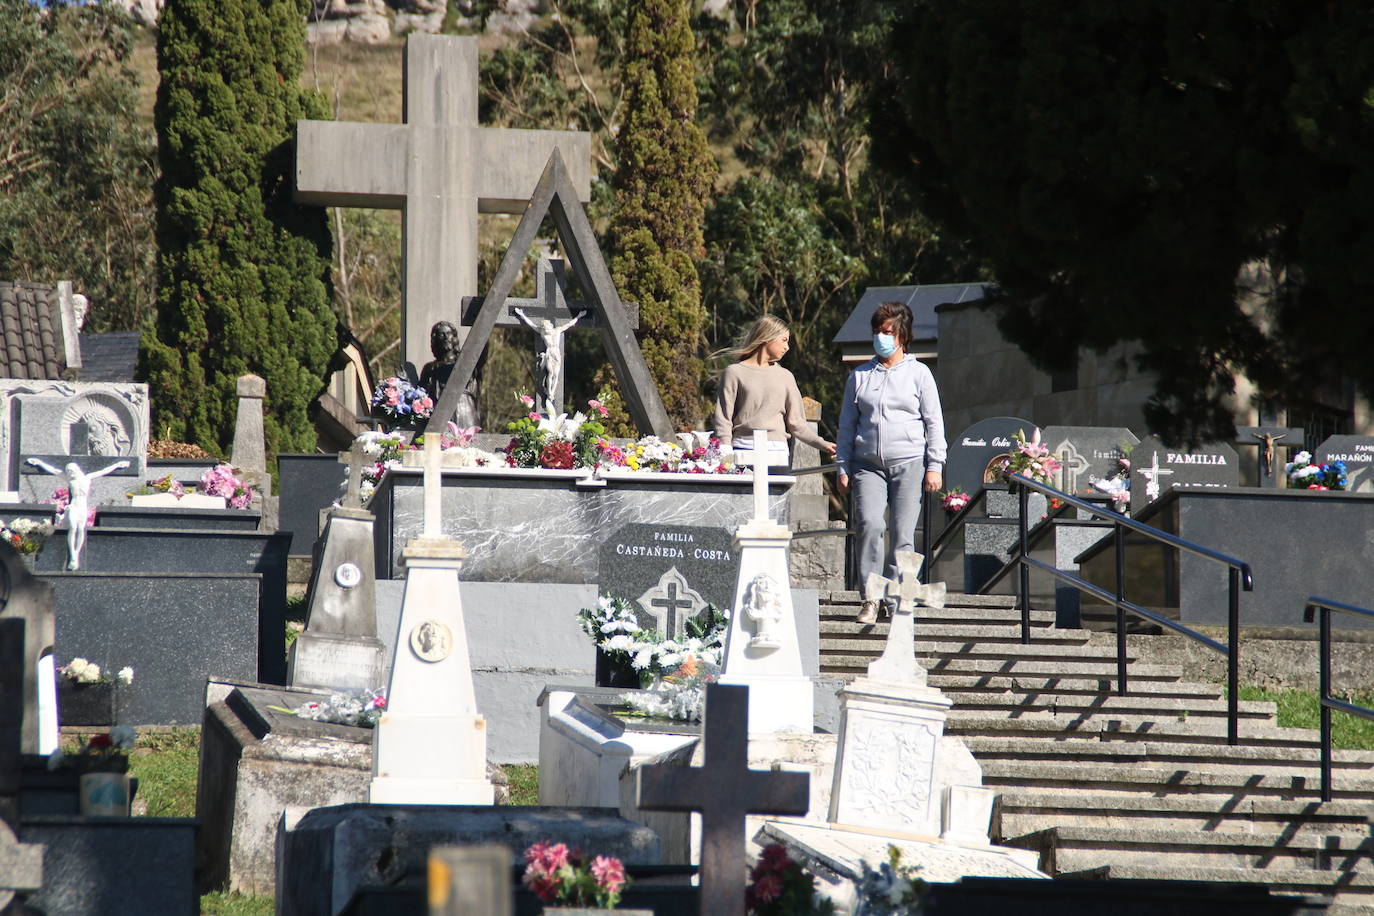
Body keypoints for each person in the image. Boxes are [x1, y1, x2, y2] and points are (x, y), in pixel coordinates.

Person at [836, 301, 946, 624]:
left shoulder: (919, 374)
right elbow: (846, 425)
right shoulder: (859, 377)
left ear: (902, 335)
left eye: (887, 332)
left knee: (902, 533)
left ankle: (899, 597)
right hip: (867, 464)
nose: (881, 337)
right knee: (870, 524)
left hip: (909, 462)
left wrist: (934, 465)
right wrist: (843, 466)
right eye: (877, 331)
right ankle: (871, 598)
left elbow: (934, 422)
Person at [712, 315, 836, 465]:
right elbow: (723, 418)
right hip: (742, 452)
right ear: (767, 337)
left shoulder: (785, 377)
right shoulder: (734, 372)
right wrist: (725, 450)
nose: (787, 347)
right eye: (784, 340)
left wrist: (823, 444)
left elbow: (797, 423)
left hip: (777, 454)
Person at [25, 457, 130, 571]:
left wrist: (118, 465)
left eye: (71, 471)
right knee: (73, 528)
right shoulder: (70, 480)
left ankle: (76, 554)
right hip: (73, 506)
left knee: (80, 529)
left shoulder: (87, 478)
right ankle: (73, 555)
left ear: (77, 470)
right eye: (68, 472)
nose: (70, 473)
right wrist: (39, 462)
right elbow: (54, 470)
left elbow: (103, 471)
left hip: (82, 507)